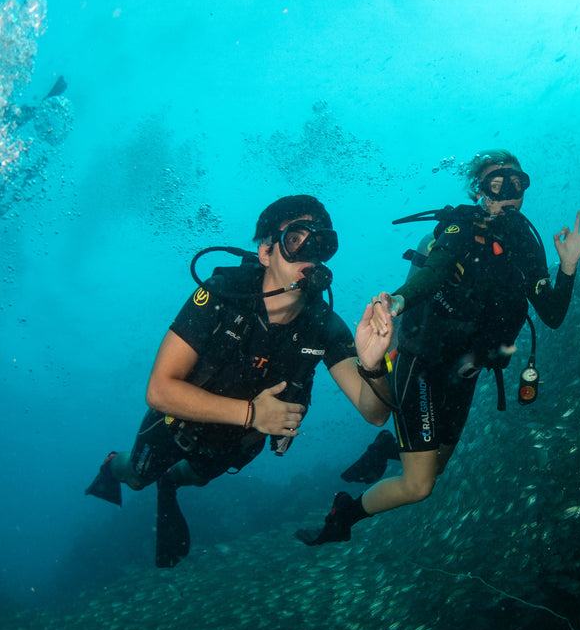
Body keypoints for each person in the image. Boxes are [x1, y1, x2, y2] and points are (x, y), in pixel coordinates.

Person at [296, 150, 580, 545]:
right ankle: (344, 516)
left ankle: (391, 445)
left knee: (435, 468)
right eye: (497, 183)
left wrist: (568, 266)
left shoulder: (526, 241)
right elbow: (435, 273)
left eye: (517, 183)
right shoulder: (460, 227)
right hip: (422, 362)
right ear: (479, 191)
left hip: (466, 372)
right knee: (420, 486)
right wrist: (397, 301)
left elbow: (552, 315)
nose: (509, 193)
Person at [85, 195, 393, 567]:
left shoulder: (325, 325)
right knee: (136, 478)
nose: (310, 253)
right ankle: (112, 463)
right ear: (265, 253)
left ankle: (171, 480)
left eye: (321, 243)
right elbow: (160, 389)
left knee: (192, 478)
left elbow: (375, 414)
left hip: (234, 444)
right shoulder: (220, 295)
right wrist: (252, 414)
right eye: (296, 240)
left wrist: (374, 365)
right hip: (177, 424)